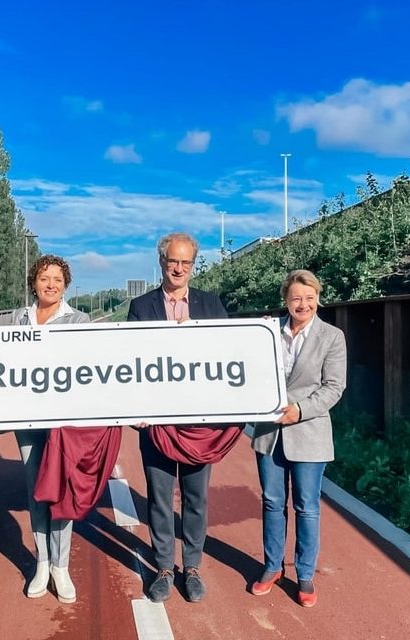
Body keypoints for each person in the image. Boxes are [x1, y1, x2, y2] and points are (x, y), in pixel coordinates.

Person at [127, 232, 239, 604]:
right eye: (172, 261)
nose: (178, 268)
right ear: (161, 262)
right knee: (159, 499)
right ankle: (162, 567)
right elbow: (127, 364)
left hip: (199, 425)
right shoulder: (140, 307)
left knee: (196, 498)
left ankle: (190, 567)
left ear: (193, 265)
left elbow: (229, 357)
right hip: (156, 424)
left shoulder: (211, 305)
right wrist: (134, 410)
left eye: (185, 263)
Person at [249, 269, 347, 607]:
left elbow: (334, 387)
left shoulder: (333, 337)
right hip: (269, 435)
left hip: (309, 432)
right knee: (272, 502)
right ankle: (272, 566)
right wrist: (255, 336)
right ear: (285, 301)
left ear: (318, 298)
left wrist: (301, 410)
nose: (302, 304)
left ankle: (304, 573)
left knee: (307, 506)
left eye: (308, 298)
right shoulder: (267, 332)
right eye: (295, 298)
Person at [11, 255, 90, 604]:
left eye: (57, 279)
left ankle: (62, 566)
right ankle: (41, 562)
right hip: (27, 419)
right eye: (45, 278)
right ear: (34, 282)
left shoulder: (79, 320)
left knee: (60, 491)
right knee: (35, 491)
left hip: (63, 423)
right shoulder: (17, 319)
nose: (51, 285)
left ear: (66, 284)